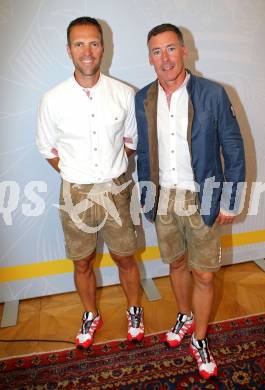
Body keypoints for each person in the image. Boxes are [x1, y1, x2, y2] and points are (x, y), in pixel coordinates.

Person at [135, 23, 245, 379]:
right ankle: (184, 315)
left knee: (205, 275)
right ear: (150, 57)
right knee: (177, 264)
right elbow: (144, 153)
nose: (164, 58)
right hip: (164, 196)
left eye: (170, 49)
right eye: (156, 51)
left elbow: (233, 149)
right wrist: (147, 196)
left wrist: (230, 200)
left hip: (204, 197)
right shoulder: (144, 98)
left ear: (184, 51)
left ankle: (199, 338)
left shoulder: (213, 93)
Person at [36, 16, 144, 349]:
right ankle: (90, 313)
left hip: (116, 189)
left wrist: (108, 175)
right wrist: (78, 176)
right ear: (69, 50)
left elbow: (131, 142)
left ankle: (134, 309)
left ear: (103, 48)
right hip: (75, 192)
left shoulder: (125, 94)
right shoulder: (52, 99)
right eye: (79, 44)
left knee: (125, 257)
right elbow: (47, 149)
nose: (88, 51)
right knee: (82, 261)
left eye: (94, 43)